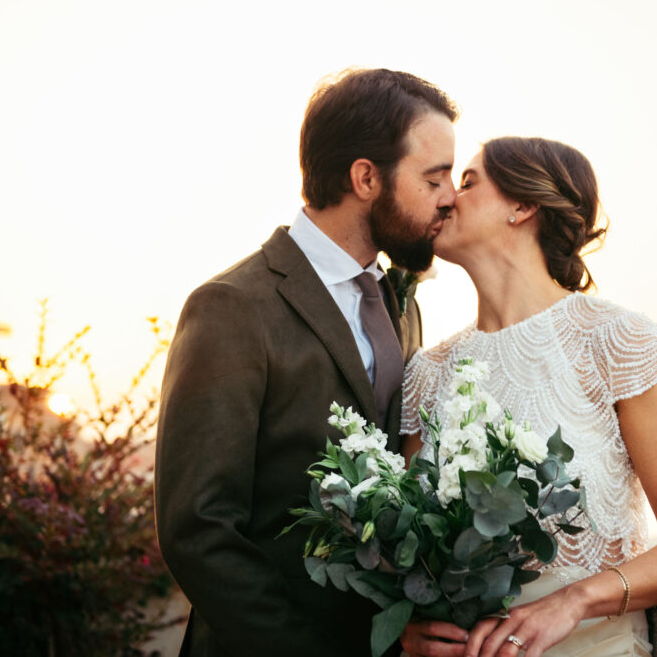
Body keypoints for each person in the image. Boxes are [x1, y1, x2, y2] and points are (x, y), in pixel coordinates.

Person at [154, 68, 458, 656]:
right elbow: (199, 529)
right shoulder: (232, 307)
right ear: (366, 177)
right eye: (433, 176)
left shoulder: (399, 304)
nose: (450, 195)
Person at [398, 137, 657, 657]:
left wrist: (572, 602)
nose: (446, 199)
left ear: (523, 207)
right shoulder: (427, 372)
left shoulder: (618, 341)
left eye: (468, 182)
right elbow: (418, 554)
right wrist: (410, 628)